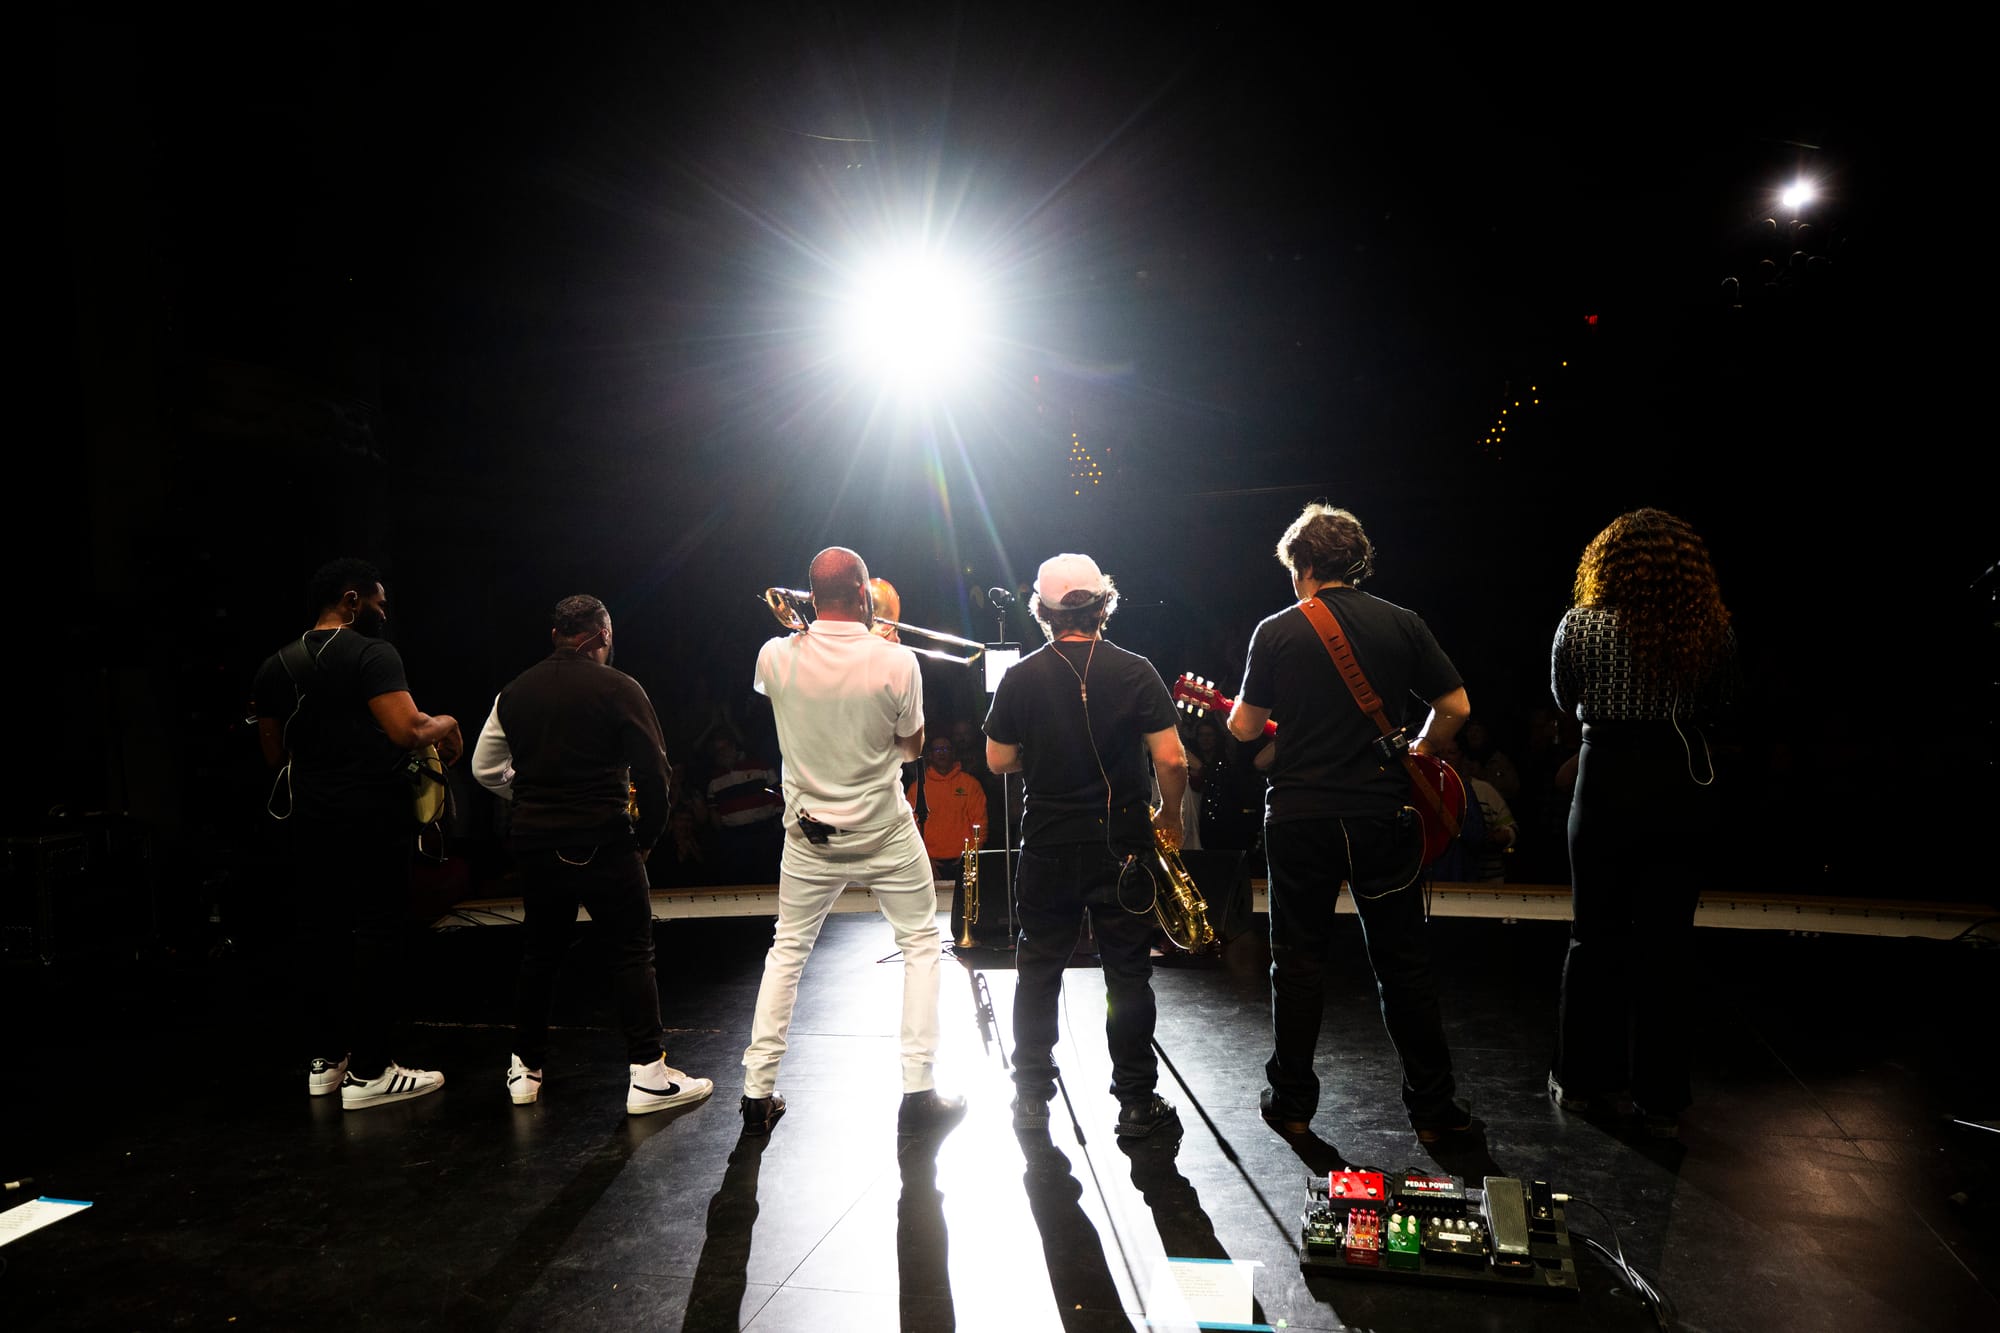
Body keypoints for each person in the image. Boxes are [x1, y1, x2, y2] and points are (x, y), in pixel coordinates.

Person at [1224, 504, 1474, 1144]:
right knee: (1402, 964)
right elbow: (1455, 707)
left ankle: (1293, 1103)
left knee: (1299, 963)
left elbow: (1247, 729)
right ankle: (1435, 1109)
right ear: (1353, 563)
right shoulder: (1403, 623)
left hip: (1301, 820)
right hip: (1380, 815)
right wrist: (1420, 749)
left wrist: (1245, 722)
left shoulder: (1276, 631)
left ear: (1302, 564)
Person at [738, 547, 964, 1138]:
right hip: (884, 829)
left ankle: (757, 1091)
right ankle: (919, 1090)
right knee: (920, 945)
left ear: (813, 597)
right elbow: (912, 748)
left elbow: (787, 691)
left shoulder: (774, 655)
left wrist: (806, 629)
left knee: (787, 951)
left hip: (809, 834)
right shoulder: (899, 661)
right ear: (865, 596)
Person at [471, 595, 712, 1115]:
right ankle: (648, 1075)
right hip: (604, 839)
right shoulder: (619, 687)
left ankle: (524, 1071)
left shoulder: (512, 692)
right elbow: (655, 774)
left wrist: (533, 794)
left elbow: (485, 769)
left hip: (535, 842)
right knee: (631, 952)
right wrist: (646, 835)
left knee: (540, 954)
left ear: (556, 634)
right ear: (601, 636)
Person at [985, 553, 1189, 1139]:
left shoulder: (1020, 675)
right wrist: (1168, 813)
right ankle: (1134, 1102)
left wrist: (1044, 759)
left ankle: (1030, 1096)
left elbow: (999, 759)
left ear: (1043, 614)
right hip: (1121, 846)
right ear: (1105, 604)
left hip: (1046, 845)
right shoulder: (1136, 670)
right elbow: (1172, 759)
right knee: (1127, 976)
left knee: (1038, 968)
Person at [1548, 508, 1736, 1137]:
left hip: (1605, 780)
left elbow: (1562, 697)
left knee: (1592, 935)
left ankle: (1582, 1082)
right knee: (1666, 943)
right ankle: (1660, 1095)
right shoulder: (1708, 632)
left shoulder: (1579, 626)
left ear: (1610, 563)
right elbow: (1720, 706)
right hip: (1682, 784)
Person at [252, 558, 461, 1110]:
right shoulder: (373, 653)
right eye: (379, 602)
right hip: (371, 814)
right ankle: (370, 1072)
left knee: (319, 931)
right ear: (351, 600)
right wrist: (449, 725)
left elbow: (273, 752)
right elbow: (407, 730)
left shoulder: (275, 665)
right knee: (378, 933)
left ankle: (325, 1062)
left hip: (309, 819)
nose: (384, 612)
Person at [906, 734, 989, 927]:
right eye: (937, 749)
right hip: (929, 865)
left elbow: (980, 824)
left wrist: (970, 859)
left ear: (953, 753)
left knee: (966, 917)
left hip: (964, 864)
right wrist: (924, 859)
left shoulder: (970, 784)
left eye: (946, 749)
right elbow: (911, 828)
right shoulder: (917, 788)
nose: (942, 753)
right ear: (930, 755)